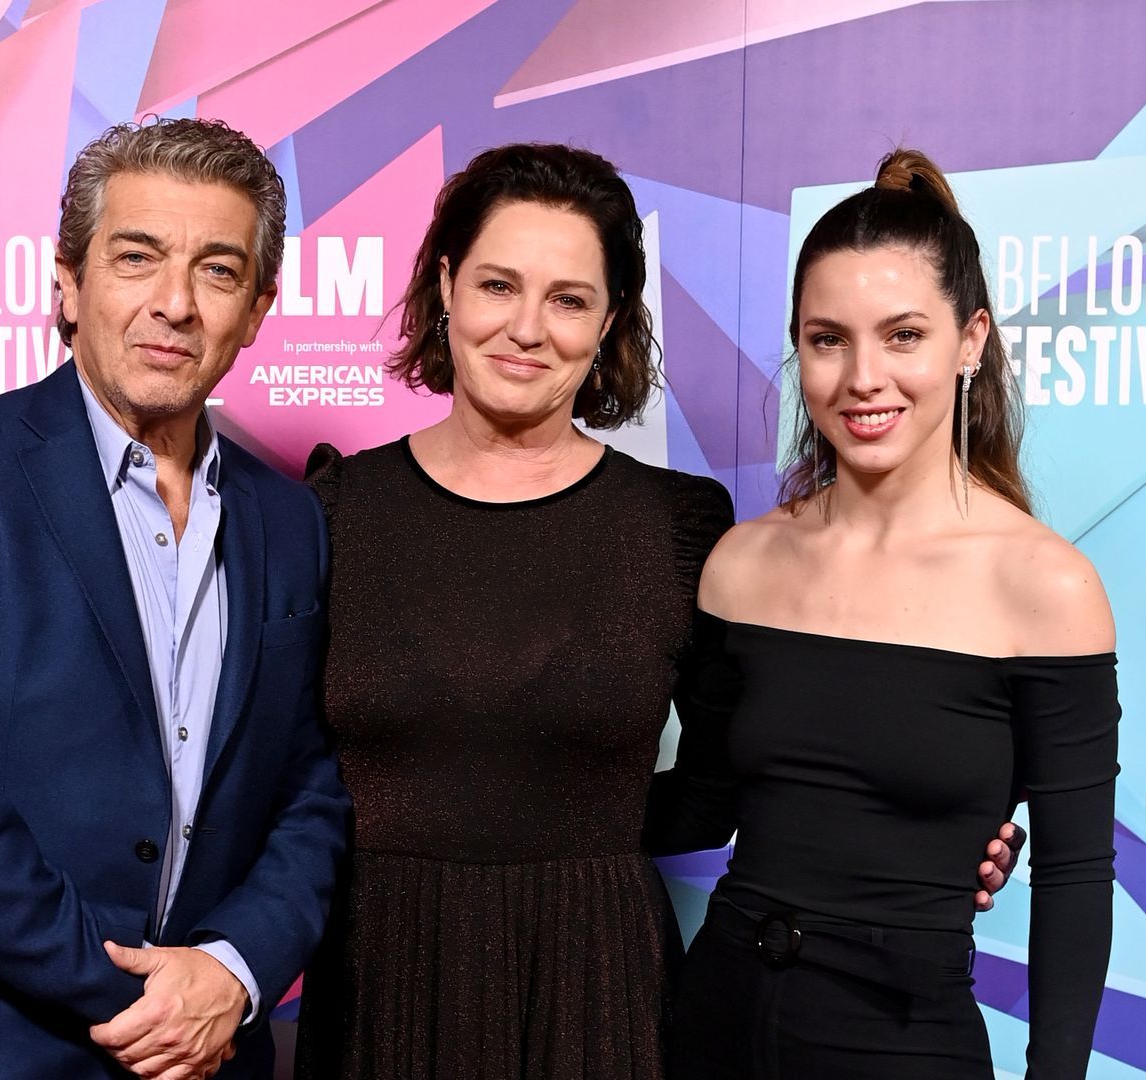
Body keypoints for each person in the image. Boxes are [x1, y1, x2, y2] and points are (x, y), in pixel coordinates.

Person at [294, 143, 1023, 1080]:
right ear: (446, 285)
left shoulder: (676, 527)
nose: (526, 328)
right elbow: (270, 783)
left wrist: (929, 825)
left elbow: (746, 771)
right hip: (378, 981)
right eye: (497, 285)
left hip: (596, 985)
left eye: (568, 299)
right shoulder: (332, 513)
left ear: (609, 322)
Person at [0, 118, 350, 1079]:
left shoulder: (290, 521)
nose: (173, 303)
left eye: (216, 271)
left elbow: (310, 790)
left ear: (256, 310)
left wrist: (233, 971)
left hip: (217, 1045)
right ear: (68, 282)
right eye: (137, 258)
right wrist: (145, 1003)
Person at [668, 149, 1118, 1079]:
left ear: (971, 341)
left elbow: (1074, 881)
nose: (863, 377)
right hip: (713, 1025)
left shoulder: (1047, 587)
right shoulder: (741, 563)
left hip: (905, 1044)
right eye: (828, 339)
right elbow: (701, 808)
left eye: (903, 334)